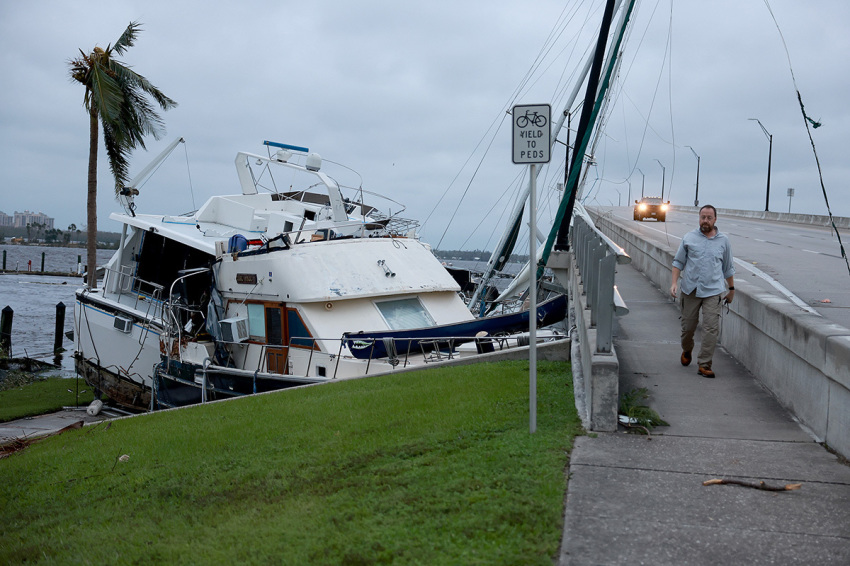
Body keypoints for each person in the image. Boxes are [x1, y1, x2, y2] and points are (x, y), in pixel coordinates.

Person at [669, 204, 735, 378]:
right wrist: (674, 283)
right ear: (699, 218)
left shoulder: (724, 241)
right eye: (702, 217)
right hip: (690, 289)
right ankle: (687, 349)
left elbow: (728, 268)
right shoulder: (689, 238)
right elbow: (678, 262)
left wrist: (732, 289)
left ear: (715, 219)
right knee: (688, 328)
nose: (705, 221)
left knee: (711, 328)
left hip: (713, 291)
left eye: (709, 217)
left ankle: (704, 364)